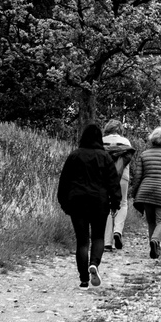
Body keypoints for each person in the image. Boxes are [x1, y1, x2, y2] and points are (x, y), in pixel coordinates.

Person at [55, 122, 121, 288]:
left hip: (77, 202)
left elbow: (64, 182)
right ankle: (94, 264)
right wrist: (115, 202)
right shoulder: (105, 157)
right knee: (98, 237)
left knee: (82, 241)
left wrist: (64, 203)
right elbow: (113, 182)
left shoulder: (74, 156)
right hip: (99, 202)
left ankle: (84, 278)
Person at [129, 125, 161, 258]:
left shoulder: (144, 154)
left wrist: (134, 193)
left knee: (151, 222)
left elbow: (138, 176)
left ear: (152, 138)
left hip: (145, 192)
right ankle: (155, 241)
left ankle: (155, 248)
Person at [100, 120, 137, 251]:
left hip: (105, 177)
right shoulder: (126, 142)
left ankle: (107, 242)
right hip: (123, 177)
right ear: (120, 129)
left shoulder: (101, 141)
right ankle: (118, 231)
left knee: (106, 205)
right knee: (123, 203)